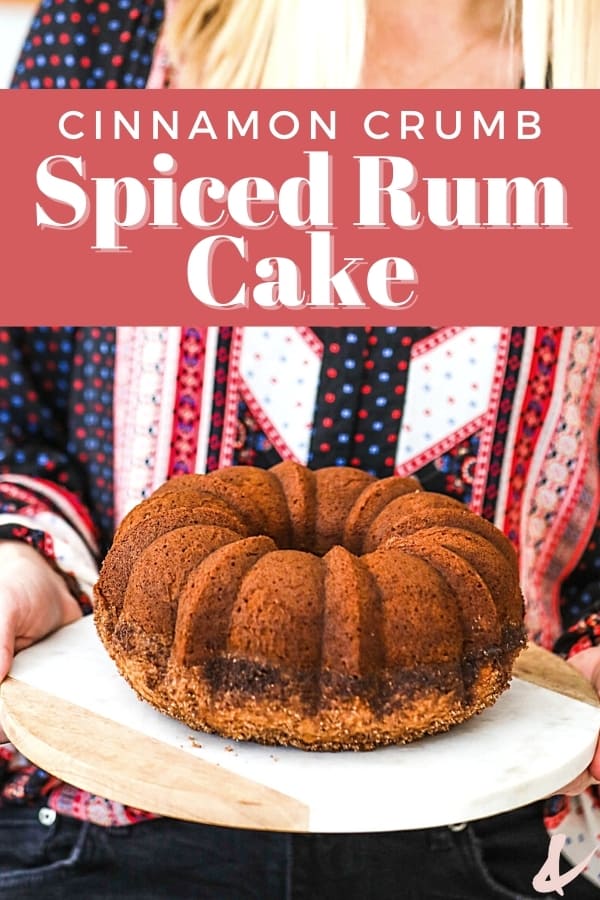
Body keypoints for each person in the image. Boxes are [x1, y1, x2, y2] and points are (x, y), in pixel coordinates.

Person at [2, 1, 600, 898]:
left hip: (497, 839)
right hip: (105, 826)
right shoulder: (121, 32)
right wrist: (22, 560)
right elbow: (16, 399)